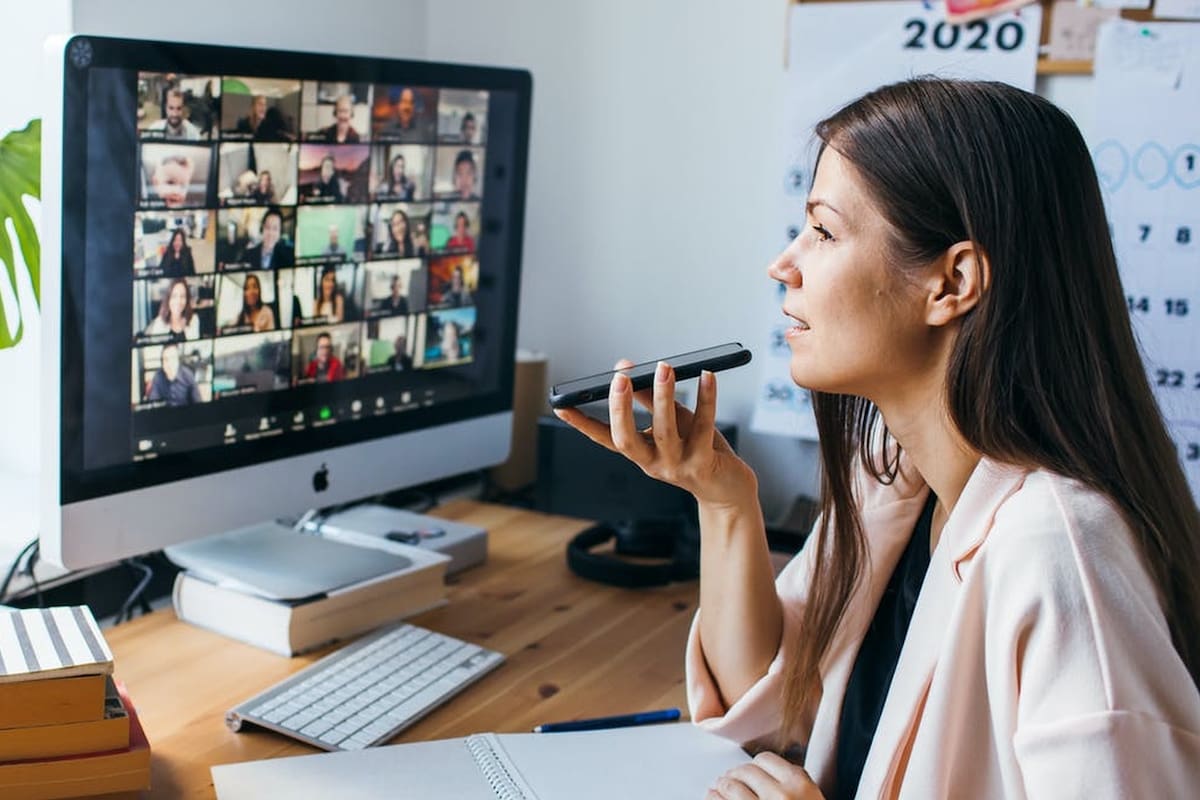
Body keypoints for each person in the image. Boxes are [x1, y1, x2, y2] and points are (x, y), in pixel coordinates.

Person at [555, 78, 1200, 799]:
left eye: (824, 231)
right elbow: (770, 705)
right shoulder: (896, 478)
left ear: (952, 281)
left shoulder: (1059, 555)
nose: (784, 264)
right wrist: (723, 497)